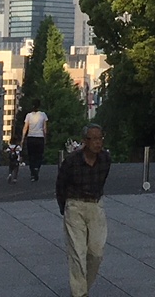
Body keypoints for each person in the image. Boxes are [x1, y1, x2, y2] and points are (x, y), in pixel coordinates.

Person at [55, 123, 112, 297]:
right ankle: (80, 293)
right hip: (75, 205)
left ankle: (83, 286)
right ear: (84, 141)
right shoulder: (72, 161)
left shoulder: (105, 159)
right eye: (93, 139)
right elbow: (60, 185)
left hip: (95, 205)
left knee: (96, 252)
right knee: (77, 252)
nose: (98, 143)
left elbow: (102, 181)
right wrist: (65, 207)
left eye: (100, 138)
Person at [22, 106, 50, 180]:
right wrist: (45, 137)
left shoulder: (29, 115)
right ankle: (37, 168)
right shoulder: (43, 115)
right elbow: (44, 128)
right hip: (40, 137)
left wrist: (22, 139)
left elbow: (25, 127)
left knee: (31, 155)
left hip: (31, 137)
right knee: (39, 155)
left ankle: (32, 173)